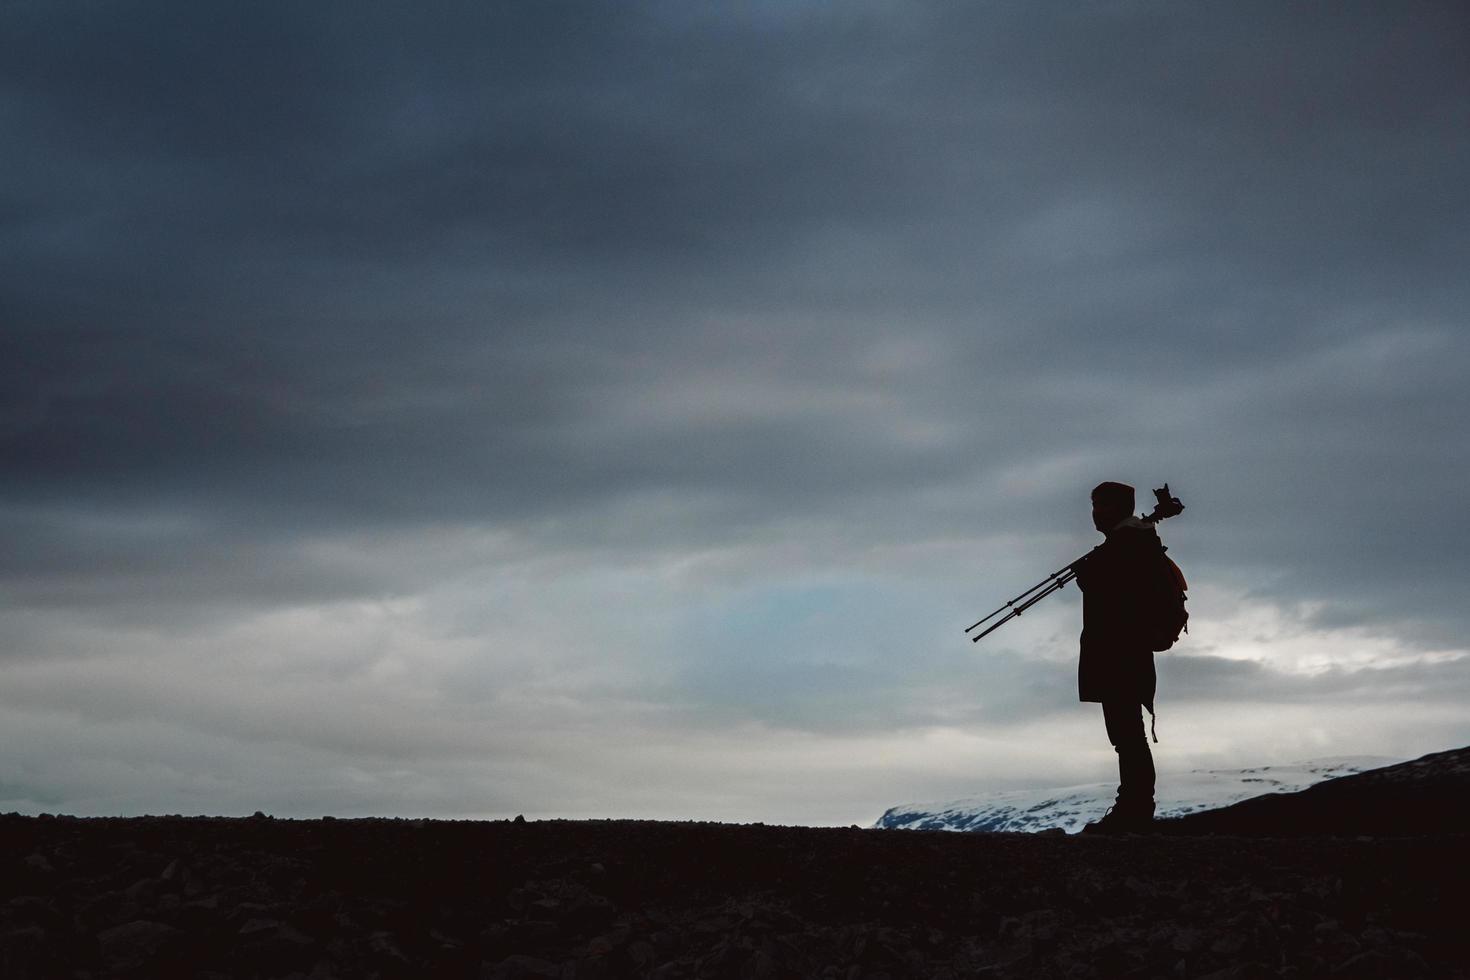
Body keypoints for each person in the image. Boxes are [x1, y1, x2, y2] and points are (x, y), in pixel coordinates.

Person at [1074, 481, 1168, 834]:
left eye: (1102, 506)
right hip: (1127, 653)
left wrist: (1090, 576)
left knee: (1127, 735)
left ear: (1118, 509)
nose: (1096, 513)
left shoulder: (1126, 547)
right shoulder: (1134, 543)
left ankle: (1134, 810)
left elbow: (1115, 597)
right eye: (1094, 505)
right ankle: (1134, 808)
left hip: (1120, 654)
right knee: (1128, 734)